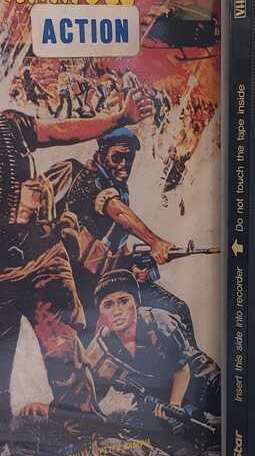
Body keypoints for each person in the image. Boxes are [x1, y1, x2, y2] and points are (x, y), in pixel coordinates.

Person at [0, 33, 152, 456]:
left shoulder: (10, 126)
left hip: (42, 261)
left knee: (65, 352)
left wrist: (121, 117)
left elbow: (61, 131)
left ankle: (85, 451)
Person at [85, 271, 220, 456]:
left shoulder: (160, 321)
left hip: (197, 377)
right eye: (108, 305)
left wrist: (174, 405)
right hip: (156, 392)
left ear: (135, 303)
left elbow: (182, 368)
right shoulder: (98, 350)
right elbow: (88, 389)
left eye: (123, 301)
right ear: (101, 313)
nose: (117, 311)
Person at [60, 127, 197, 339]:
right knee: (86, 340)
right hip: (80, 285)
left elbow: (115, 243)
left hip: (108, 281)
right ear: (101, 156)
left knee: (177, 310)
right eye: (117, 157)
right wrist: (155, 242)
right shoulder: (89, 180)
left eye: (129, 158)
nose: (124, 164)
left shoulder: (119, 187)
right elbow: (117, 212)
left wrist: (133, 268)